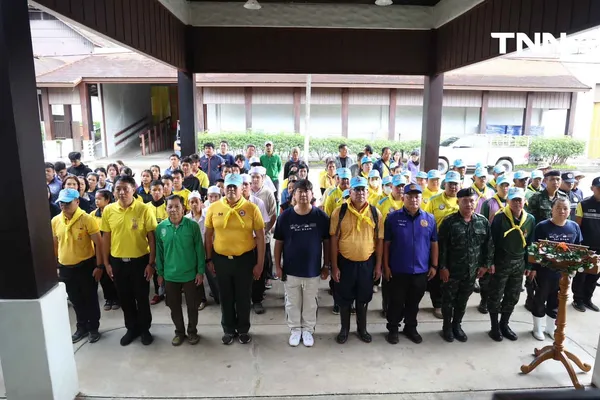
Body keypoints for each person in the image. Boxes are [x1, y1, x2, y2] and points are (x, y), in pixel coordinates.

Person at [204, 174, 266, 345]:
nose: (231, 189)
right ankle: (228, 329)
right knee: (225, 296)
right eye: (228, 186)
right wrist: (209, 259)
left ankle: (243, 329)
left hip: (244, 260)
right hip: (221, 260)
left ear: (242, 188)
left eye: (234, 186)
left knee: (243, 296)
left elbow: (261, 237)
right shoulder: (214, 207)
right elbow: (208, 235)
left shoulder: (252, 208)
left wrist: (260, 264)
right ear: (224, 188)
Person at [101, 175, 158, 346]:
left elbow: (152, 238)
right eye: (118, 189)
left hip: (140, 261)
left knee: (142, 297)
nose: (122, 192)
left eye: (125, 188)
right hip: (117, 262)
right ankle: (131, 329)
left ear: (134, 189)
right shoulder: (108, 210)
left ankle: (145, 329)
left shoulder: (144, 209)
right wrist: (106, 263)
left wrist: (151, 263)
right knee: (125, 298)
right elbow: (106, 238)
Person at [274, 179, 330, 347]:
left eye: (307, 191)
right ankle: (295, 330)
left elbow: (327, 243)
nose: (303, 194)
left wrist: (326, 265)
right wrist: (278, 266)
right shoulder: (285, 216)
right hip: (291, 270)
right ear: (294, 195)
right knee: (292, 302)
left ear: (312, 195)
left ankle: (307, 330)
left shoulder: (321, 217)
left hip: (312, 270)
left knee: (310, 302)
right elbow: (278, 243)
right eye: (300, 191)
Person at [330, 176, 383, 344]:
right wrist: (334, 266)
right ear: (350, 192)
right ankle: (344, 329)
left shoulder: (375, 213)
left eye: (363, 189)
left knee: (363, 298)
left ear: (368, 192)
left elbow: (379, 240)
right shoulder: (339, 212)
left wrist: (378, 266)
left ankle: (362, 329)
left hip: (367, 264)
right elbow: (333, 240)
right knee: (344, 298)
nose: (360, 193)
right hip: (345, 263)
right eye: (357, 189)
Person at [383, 184, 438, 344]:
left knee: (414, 302)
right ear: (403, 198)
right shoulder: (392, 218)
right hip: (398, 270)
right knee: (396, 301)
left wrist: (434, 265)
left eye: (416, 197)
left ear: (421, 199)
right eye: (410, 196)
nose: (413, 200)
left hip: (420, 271)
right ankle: (393, 328)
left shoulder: (429, 219)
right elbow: (386, 244)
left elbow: (434, 243)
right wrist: (385, 266)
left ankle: (410, 327)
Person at [438, 187, 493, 343]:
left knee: (462, 301)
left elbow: (488, 245)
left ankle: (457, 325)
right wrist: (442, 267)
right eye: (465, 201)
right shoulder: (449, 222)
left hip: (471, 271)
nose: (469, 204)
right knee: (448, 301)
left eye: (471, 201)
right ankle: (447, 327)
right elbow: (442, 247)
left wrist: (485, 265)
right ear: (458, 202)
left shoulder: (482, 221)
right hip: (452, 271)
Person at [52, 188, 104, 343]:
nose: (63, 205)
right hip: (66, 268)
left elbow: (99, 244)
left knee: (90, 298)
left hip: (85, 266)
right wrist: (56, 265)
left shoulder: (87, 219)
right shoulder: (56, 221)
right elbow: (55, 245)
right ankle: (81, 327)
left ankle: (93, 328)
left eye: (67, 203)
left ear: (77, 201)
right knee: (75, 300)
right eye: (61, 202)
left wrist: (99, 266)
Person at [529, 198, 583, 341]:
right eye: (558, 208)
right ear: (551, 209)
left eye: (565, 208)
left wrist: (574, 268)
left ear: (569, 211)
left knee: (557, 301)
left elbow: (578, 248)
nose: (562, 211)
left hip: (563, 274)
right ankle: (537, 328)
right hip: (544, 272)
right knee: (540, 299)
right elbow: (533, 250)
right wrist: (533, 269)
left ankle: (550, 328)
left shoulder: (574, 227)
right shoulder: (542, 226)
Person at [156, 195, 205, 346]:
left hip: (190, 275)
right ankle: (179, 332)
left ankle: (192, 332)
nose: (174, 210)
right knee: (174, 307)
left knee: (192, 306)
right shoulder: (161, 228)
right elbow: (159, 253)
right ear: (166, 208)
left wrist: (200, 271)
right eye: (170, 206)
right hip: (170, 275)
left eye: (177, 206)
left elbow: (199, 249)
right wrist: (160, 273)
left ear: (183, 208)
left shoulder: (192, 226)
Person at [487, 187, 535, 341]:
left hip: (518, 264)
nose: (517, 203)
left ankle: (504, 324)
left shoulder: (530, 219)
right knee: (495, 295)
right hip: (501, 262)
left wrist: (529, 265)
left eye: (519, 199)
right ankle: (494, 326)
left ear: (524, 201)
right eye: (513, 199)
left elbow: (530, 244)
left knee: (513, 296)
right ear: (508, 201)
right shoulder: (500, 218)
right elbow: (491, 242)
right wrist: (490, 262)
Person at [425, 170, 461, 319]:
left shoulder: (462, 200)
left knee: (454, 275)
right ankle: (438, 304)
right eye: (450, 184)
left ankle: (452, 302)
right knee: (437, 275)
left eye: (455, 184)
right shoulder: (434, 200)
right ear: (444, 184)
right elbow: (426, 222)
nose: (453, 187)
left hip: (457, 245)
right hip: (438, 243)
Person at [186, 190, 220, 309]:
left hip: (210, 251)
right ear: (188, 204)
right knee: (197, 277)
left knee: (213, 275)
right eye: (192, 202)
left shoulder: (208, 215)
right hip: (195, 253)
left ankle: (219, 297)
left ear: (201, 202)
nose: (194, 204)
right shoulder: (186, 219)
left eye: (197, 201)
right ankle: (201, 299)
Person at [572, 177, 600, 312]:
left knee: (594, 275)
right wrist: (578, 247)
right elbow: (577, 226)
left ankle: (587, 299)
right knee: (581, 275)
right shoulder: (584, 204)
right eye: (598, 188)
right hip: (586, 247)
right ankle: (577, 300)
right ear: (592, 188)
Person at [91, 189, 120, 311]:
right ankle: (108, 298)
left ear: (107, 200)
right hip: (99, 249)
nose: (96, 201)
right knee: (103, 274)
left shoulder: (113, 212)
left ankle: (117, 298)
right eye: (95, 199)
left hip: (113, 247)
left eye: (99, 199)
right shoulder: (93, 215)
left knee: (113, 274)